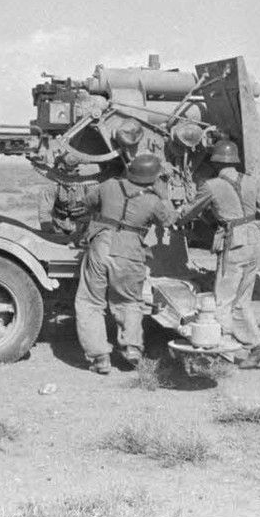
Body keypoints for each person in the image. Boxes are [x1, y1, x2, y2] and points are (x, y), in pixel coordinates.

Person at [75, 153, 176, 374]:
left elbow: (86, 204)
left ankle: (100, 357)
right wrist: (163, 194)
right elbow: (169, 220)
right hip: (130, 253)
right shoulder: (153, 201)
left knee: (91, 302)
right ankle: (132, 348)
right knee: (129, 301)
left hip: (101, 246)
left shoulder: (109, 185)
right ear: (154, 177)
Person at [185, 139, 260, 368]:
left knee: (223, 300)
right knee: (243, 301)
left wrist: (177, 216)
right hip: (255, 241)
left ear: (215, 162)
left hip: (233, 244)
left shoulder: (211, 186)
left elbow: (190, 213)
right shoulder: (251, 182)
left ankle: (221, 354)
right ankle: (257, 346)